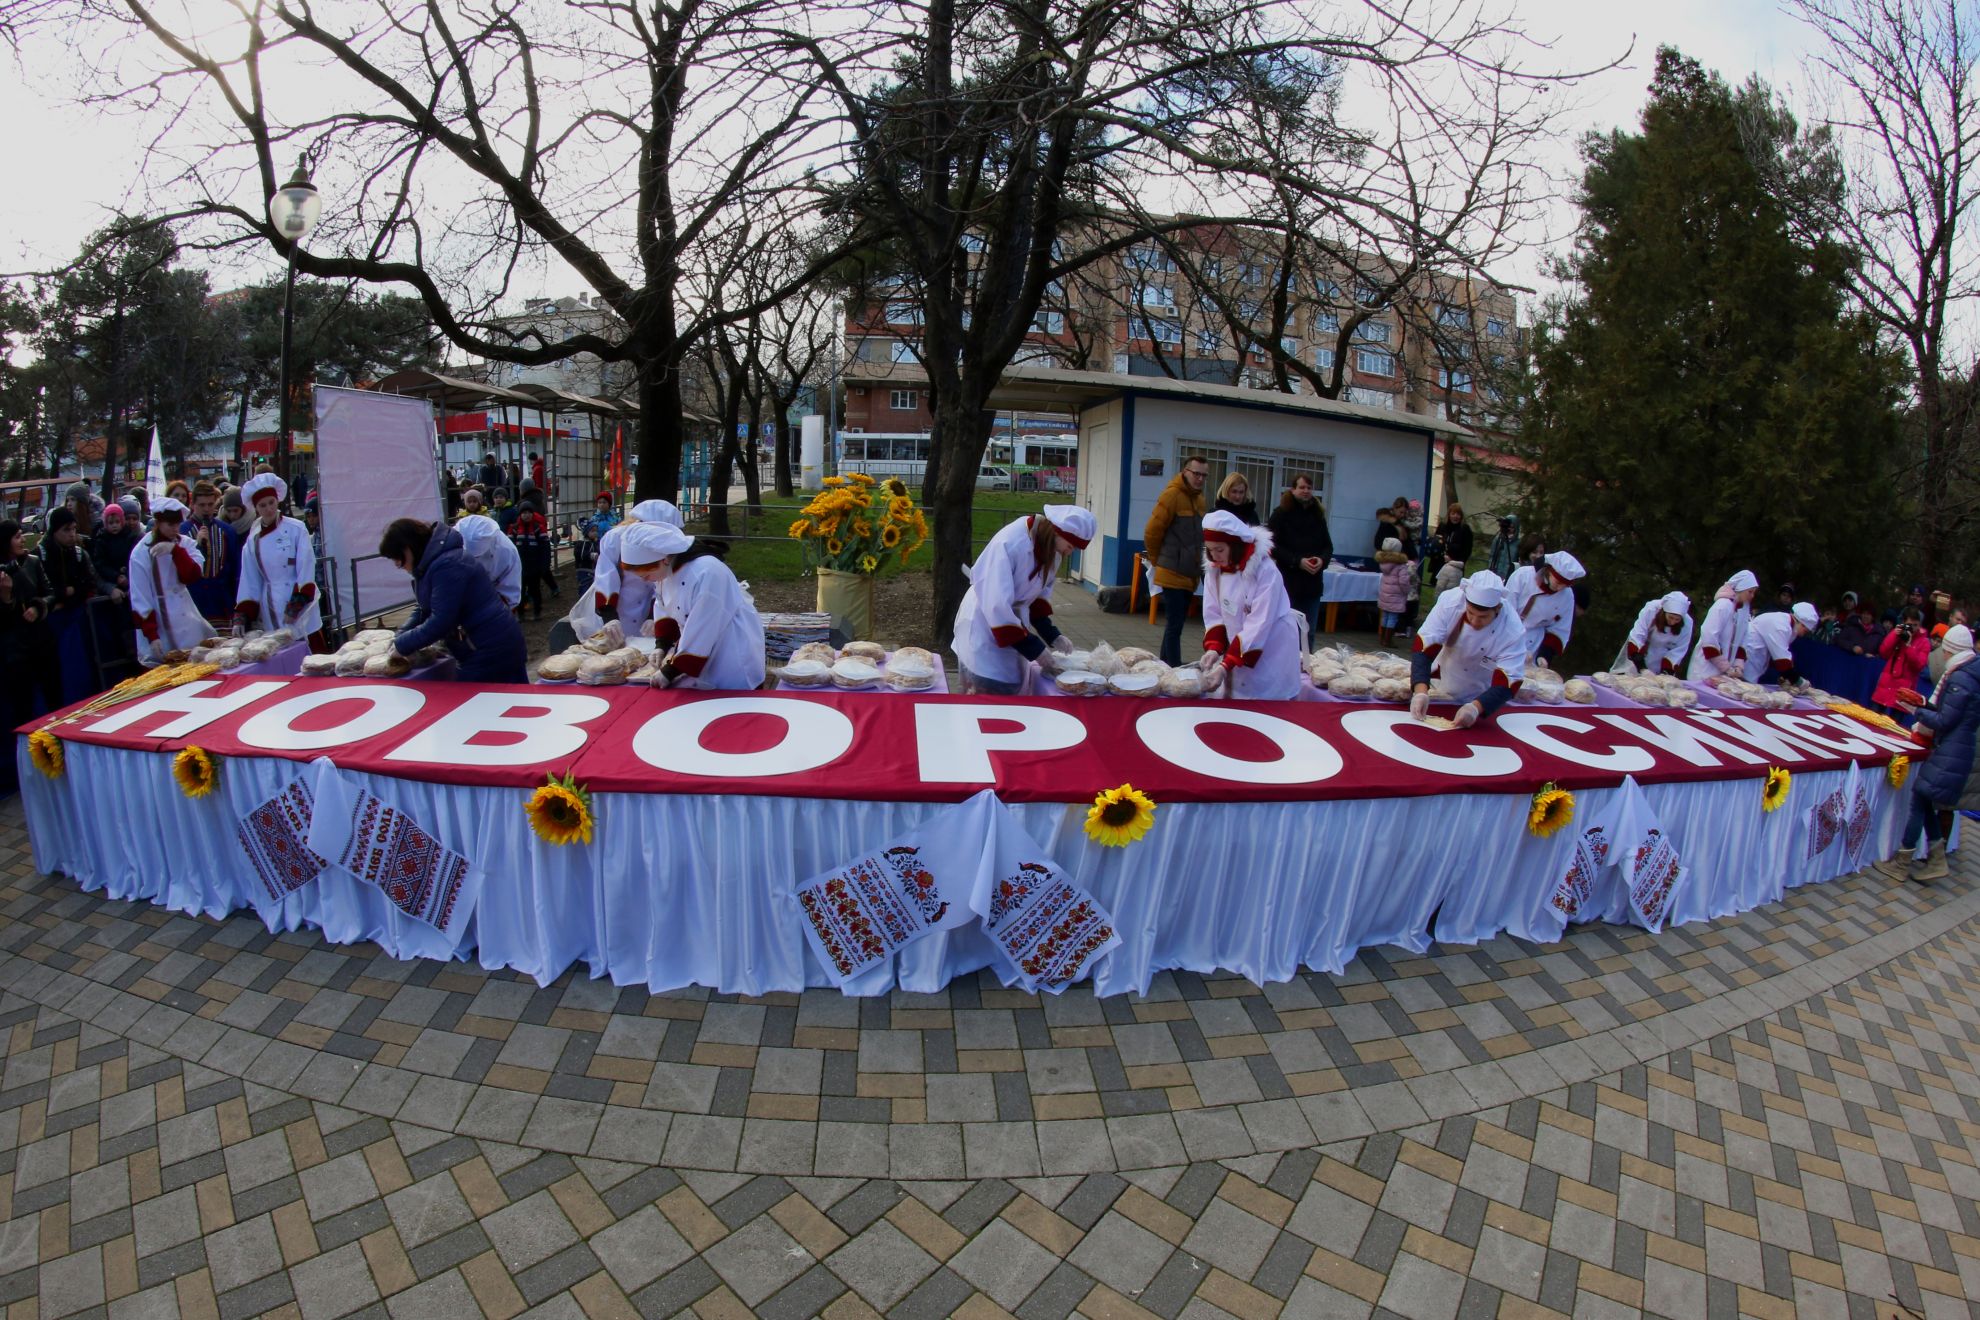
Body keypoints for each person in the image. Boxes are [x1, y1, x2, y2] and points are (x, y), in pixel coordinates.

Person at [953, 505, 1095, 694]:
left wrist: (1052, 635)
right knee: (987, 685)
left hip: (1013, 625)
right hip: (984, 620)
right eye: (1070, 546)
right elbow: (996, 606)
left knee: (1011, 682)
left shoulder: (1052, 553)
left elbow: (1036, 598)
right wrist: (1035, 649)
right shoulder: (1011, 543)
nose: (1070, 553)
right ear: (1056, 532)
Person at [1878, 624, 1978, 884]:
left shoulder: (1960, 678)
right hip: (1955, 750)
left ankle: (1903, 862)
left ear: (1950, 651)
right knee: (1924, 800)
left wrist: (1916, 711)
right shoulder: (1970, 673)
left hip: (1950, 751)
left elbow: (1945, 719)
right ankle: (1935, 859)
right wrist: (1924, 704)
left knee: (1919, 799)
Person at [380, 518, 528, 683]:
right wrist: (400, 637)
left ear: (408, 549)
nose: (400, 565)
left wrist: (402, 645)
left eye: (399, 561)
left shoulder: (448, 564)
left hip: (491, 649)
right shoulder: (434, 563)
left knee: (483, 703)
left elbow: (441, 620)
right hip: (482, 646)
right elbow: (425, 608)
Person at [623, 522, 765, 690]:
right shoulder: (665, 572)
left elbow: (704, 627)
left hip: (731, 648)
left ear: (665, 559)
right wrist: (662, 645)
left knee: (731, 701)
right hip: (698, 648)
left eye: (647, 575)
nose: (645, 580)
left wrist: (671, 671)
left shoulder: (706, 572)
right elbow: (664, 606)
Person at [1198, 510, 1302, 700]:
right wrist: (1214, 648)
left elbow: (1260, 622)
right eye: (1209, 550)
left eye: (1219, 550)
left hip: (1273, 643)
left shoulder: (1266, 571)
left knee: (1267, 696)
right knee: (1240, 693)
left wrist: (1226, 665)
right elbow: (1213, 612)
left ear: (1235, 545)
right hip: (1242, 642)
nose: (1214, 556)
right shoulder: (1215, 570)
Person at [1409, 569, 1529, 729]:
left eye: (1483, 617)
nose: (1474, 621)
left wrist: (1476, 707)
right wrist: (1421, 691)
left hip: (1478, 690)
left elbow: (1510, 679)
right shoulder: (1450, 602)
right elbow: (1425, 645)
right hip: (1441, 680)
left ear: (1498, 608)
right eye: (1470, 613)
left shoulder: (1512, 629)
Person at [233, 474, 325, 649]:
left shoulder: (296, 528)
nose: (268, 509)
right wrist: (242, 615)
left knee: (308, 648)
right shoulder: (253, 540)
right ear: (256, 508)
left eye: (271, 502)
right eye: (262, 505)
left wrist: (297, 603)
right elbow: (249, 579)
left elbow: (305, 565)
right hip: (271, 603)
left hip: (298, 603)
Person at [127, 498, 215, 665]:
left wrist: (176, 552)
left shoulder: (185, 544)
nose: (175, 529)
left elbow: (194, 574)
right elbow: (140, 597)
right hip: (160, 622)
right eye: (170, 525)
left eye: (177, 525)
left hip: (186, 618)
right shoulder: (140, 552)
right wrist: (151, 634)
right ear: (158, 523)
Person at [1144, 456, 1207, 666]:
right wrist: (1157, 561)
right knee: (1175, 625)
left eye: (1203, 475)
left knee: (1175, 625)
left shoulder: (1200, 500)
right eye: (1196, 473)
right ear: (1185, 471)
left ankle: (1164, 664)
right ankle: (1174, 668)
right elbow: (1152, 531)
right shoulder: (1172, 495)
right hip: (1172, 571)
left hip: (1189, 574)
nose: (1199, 479)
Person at [1, 519, 66, 723]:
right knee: (22, 703)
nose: (22, 541)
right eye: (17, 537)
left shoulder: (32, 562)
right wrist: (6, 597)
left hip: (42, 639)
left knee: (54, 695)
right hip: (16, 647)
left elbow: (49, 593)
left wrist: (38, 607)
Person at [593, 499, 683, 628]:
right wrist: (609, 616)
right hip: (619, 608)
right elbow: (606, 577)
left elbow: (667, 583)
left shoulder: (670, 546)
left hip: (652, 607)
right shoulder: (615, 539)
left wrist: (654, 616)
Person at [1267, 474, 1331, 648]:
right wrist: (1297, 561)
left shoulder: (1318, 515)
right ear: (1293, 489)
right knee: (1285, 631)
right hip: (1288, 583)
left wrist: (1321, 560)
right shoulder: (1281, 514)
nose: (1306, 491)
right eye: (1302, 487)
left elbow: (1328, 546)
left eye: (1309, 488)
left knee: (1308, 632)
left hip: (1312, 584)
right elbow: (1271, 545)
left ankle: (1306, 670)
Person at [1505, 550, 1586, 666]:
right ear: (1548, 571)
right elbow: (1505, 613)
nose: (1560, 588)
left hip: (1533, 647)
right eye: (1558, 582)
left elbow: (1559, 629)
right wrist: (1515, 645)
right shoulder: (1522, 577)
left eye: (1565, 585)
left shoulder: (1567, 596)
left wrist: (1545, 655)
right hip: (1507, 638)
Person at [185, 480, 243, 628]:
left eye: (210, 504)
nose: (206, 509)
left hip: (221, 600)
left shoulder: (227, 531)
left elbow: (235, 569)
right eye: (202, 505)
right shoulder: (182, 532)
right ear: (193, 504)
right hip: (193, 600)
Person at [1686, 569, 1759, 680]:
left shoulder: (1744, 610)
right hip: (1705, 670)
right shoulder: (1723, 605)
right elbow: (1709, 637)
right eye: (1750, 592)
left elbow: (1743, 639)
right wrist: (1725, 667)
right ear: (1740, 589)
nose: (1752, 596)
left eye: (1754, 592)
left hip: (1724, 675)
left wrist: (1738, 666)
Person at [455, 512, 524, 612]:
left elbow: (510, 594)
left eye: (478, 555)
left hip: (491, 604)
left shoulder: (507, 552)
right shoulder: (453, 542)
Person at [37, 508, 99, 615]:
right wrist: (62, 592)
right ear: (54, 531)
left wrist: (72, 593)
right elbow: (39, 590)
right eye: (66, 529)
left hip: (76, 614)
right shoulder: (40, 556)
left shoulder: (79, 554)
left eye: (74, 528)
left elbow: (89, 583)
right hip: (49, 617)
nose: (72, 534)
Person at [1742, 600, 1817, 684]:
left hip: (1756, 658)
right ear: (1801, 623)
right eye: (1805, 631)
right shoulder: (1780, 626)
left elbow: (1781, 657)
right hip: (1748, 655)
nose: (1803, 635)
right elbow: (1782, 661)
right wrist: (1798, 681)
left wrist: (1785, 676)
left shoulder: (1791, 629)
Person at [1617, 592, 1693, 675]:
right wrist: (1642, 668)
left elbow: (1679, 650)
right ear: (1664, 612)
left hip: (1661, 659)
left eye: (1677, 620)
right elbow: (1638, 636)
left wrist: (1666, 672)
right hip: (1640, 657)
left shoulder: (1687, 623)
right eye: (1670, 617)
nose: (1673, 622)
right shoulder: (1651, 609)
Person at [1873, 607, 1932, 715]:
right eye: (1910, 625)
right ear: (1904, 623)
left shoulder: (1924, 642)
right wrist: (1894, 635)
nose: (1913, 628)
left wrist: (1909, 646)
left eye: (1916, 625)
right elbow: (1883, 652)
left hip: (1903, 692)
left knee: (1891, 728)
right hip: (1886, 685)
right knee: (1873, 720)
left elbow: (1918, 666)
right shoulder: (1897, 635)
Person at [89, 501, 141, 606]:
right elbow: (100, 563)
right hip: (111, 583)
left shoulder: (130, 537)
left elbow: (133, 559)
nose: (114, 526)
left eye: (117, 522)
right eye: (111, 523)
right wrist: (116, 576)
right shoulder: (102, 540)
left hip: (129, 581)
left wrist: (126, 575)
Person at [509, 496, 553, 619]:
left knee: (535, 590)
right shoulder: (515, 529)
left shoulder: (538, 528)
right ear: (520, 514)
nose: (526, 515)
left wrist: (545, 564)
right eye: (524, 513)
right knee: (520, 591)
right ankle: (520, 613)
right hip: (520, 566)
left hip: (535, 566)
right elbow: (509, 547)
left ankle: (537, 612)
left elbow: (545, 547)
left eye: (529, 513)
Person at [1374, 537, 1414, 648]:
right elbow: (1403, 581)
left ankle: (1382, 638)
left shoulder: (1383, 563)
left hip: (1385, 594)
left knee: (1385, 616)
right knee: (1392, 617)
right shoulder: (1401, 566)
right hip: (1396, 595)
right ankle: (1388, 640)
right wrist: (1407, 591)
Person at [578, 492, 619, 568]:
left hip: (612, 545)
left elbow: (619, 529)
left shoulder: (615, 517)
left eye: (604, 502)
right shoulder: (594, 518)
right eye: (599, 502)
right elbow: (590, 532)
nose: (602, 504)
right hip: (598, 545)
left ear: (609, 504)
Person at [1437, 504, 1473, 572]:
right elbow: (1436, 542)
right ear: (1449, 515)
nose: (1455, 516)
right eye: (1453, 514)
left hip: (1456, 566)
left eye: (1458, 514)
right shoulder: (1442, 526)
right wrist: (1443, 556)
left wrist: (1454, 560)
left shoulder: (1465, 529)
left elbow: (1467, 549)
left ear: (1461, 516)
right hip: (1440, 563)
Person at [1486, 513, 1520, 581]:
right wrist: (1491, 568)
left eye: (1512, 527)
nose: (1510, 529)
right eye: (1508, 527)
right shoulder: (1498, 539)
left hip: (1509, 576)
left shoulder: (1518, 543)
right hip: (1496, 573)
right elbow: (1492, 556)